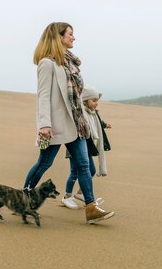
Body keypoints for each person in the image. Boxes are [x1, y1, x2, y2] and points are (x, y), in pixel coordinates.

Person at [23, 22, 114, 224]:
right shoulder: (47, 63)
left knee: (83, 164)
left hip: (76, 123)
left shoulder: (71, 62)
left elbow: (76, 96)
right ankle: (24, 198)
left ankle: (91, 208)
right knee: (44, 163)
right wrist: (44, 125)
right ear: (59, 37)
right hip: (56, 125)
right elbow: (43, 96)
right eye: (70, 34)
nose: (74, 38)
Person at [61, 87, 112, 210]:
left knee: (92, 170)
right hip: (75, 148)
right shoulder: (80, 113)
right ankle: (67, 196)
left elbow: (97, 122)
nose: (96, 103)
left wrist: (105, 125)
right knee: (74, 173)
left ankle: (80, 193)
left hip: (86, 148)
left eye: (97, 100)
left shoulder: (93, 114)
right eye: (93, 100)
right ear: (84, 101)